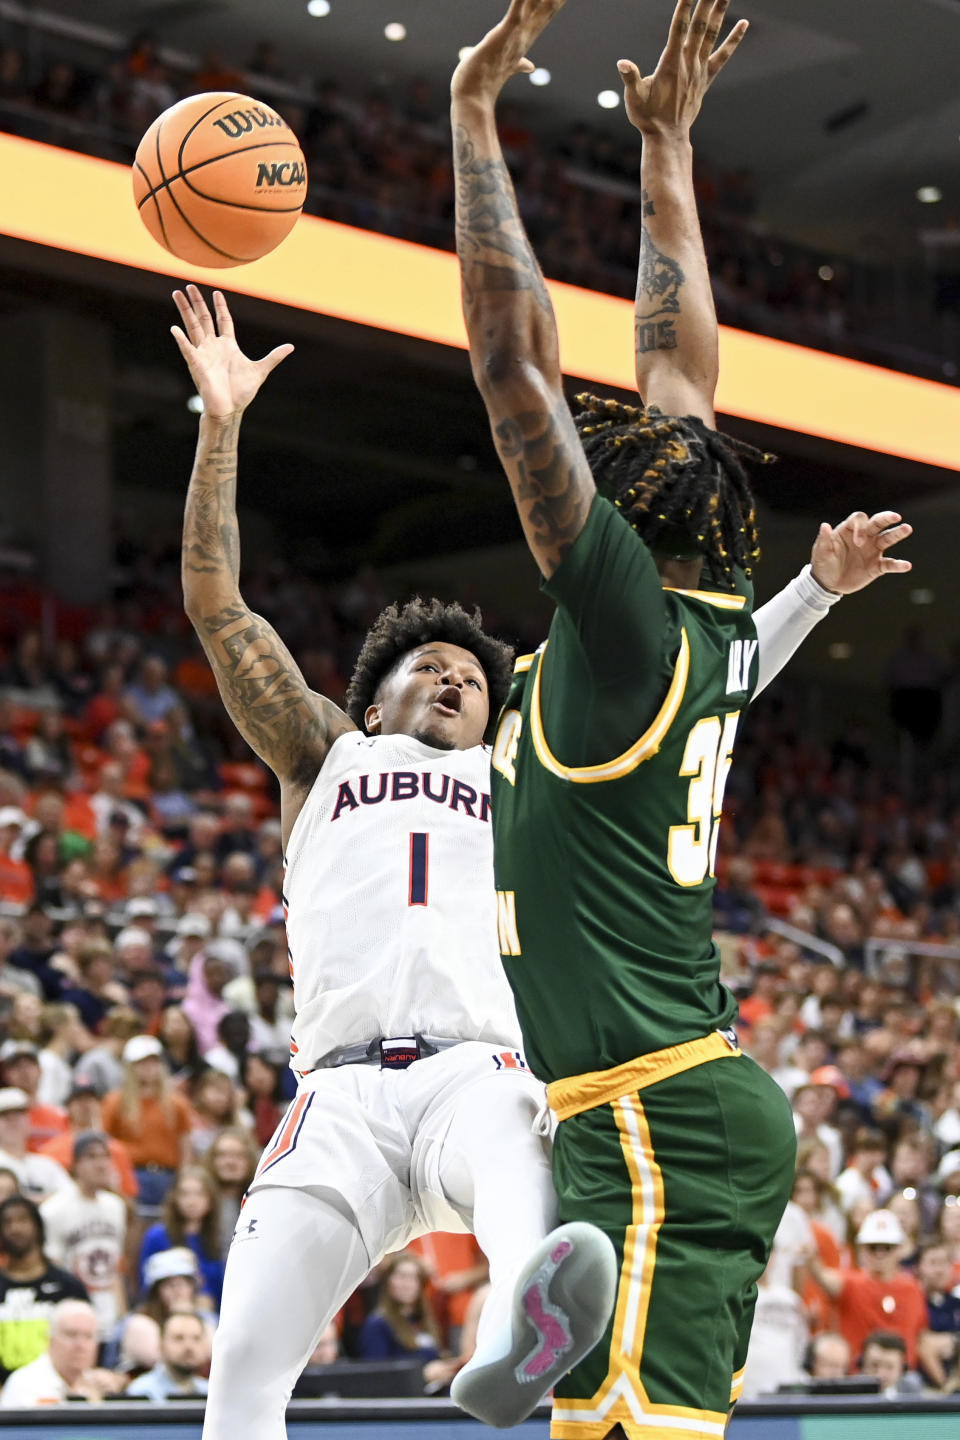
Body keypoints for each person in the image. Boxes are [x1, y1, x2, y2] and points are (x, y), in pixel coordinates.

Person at [448, 0, 913, 1432]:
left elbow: (515, 364)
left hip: (656, 1116)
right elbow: (681, 371)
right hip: (639, 1113)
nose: (592, 458)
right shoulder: (694, 625)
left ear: (628, 531)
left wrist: (473, 122)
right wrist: (665, 146)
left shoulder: (625, 630)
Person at [169, 267, 615, 1440]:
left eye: (476, 676)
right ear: (374, 705)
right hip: (345, 1092)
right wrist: (222, 429)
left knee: (524, 1167)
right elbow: (218, 604)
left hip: (481, 1070)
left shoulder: (523, 779)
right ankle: (520, 1323)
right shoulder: (324, 754)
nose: (459, 673)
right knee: (242, 1386)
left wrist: (813, 596)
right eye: (432, 665)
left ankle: (519, 1341)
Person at [808, 1209, 929, 1370]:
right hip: (859, 1376)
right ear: (863, 1249)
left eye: (887, 1247)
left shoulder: (913, 1288)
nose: (880, 1253)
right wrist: (810, 1256)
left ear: (899, 1249)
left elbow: (921, 1336)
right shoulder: (851, 1283)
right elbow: (822, 1276)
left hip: (903, 1378)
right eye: (873, 1247)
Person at [39, 1133, 127, 1339]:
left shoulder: (115, 1206)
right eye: (92, 1157)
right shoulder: (54, 1209)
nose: (101, 1164)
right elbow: (53, 1269)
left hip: (110, 1313)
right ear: (76, 1164)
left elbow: (116, 1267)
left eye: (105, 1156)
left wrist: (122, 1315)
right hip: (74, 1315)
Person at [0, 1195, 89, 1383]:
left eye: (22, 1220)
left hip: (56, 1390)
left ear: (38, 1227)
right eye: (6, 1222)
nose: (14, 1228)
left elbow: (88, 1339)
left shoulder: (68, 1286)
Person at [357, 1250, 458, 1392]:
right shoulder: (377, 1324)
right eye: (402, 1276)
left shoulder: (426, 1321)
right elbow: (375, 1377)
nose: (408, 1284)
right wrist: (422, 1375)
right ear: (388, 1281)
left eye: (414, 1277)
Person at [0, 1298, 121, 1406]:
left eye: (88, 1336)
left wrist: (102, 1401)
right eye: (71, 1335)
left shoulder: (98, 1384)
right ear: (50, 1340)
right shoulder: (25, 1383)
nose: (80, 1345)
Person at [139, 1165, 225, 1310]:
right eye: (184, 1194)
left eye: (199, 1194)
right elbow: (146, 1285)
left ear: (211, 1201)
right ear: (174, 1199)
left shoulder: (216, 1239)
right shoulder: (157, 1236)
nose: (192, 1201)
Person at [0, 1088, 72, 1201]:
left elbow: (70, 1196)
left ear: (28, 1121)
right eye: (5, 1117)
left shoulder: (47, 1164)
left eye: (18, 1115)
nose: (12, 1121)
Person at [126, 1309, 211, 1401]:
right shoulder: (142, 1392)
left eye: (196, 1338)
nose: (189, 1346)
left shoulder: (210, 1392)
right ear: (161, 1345)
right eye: (179, 1338)